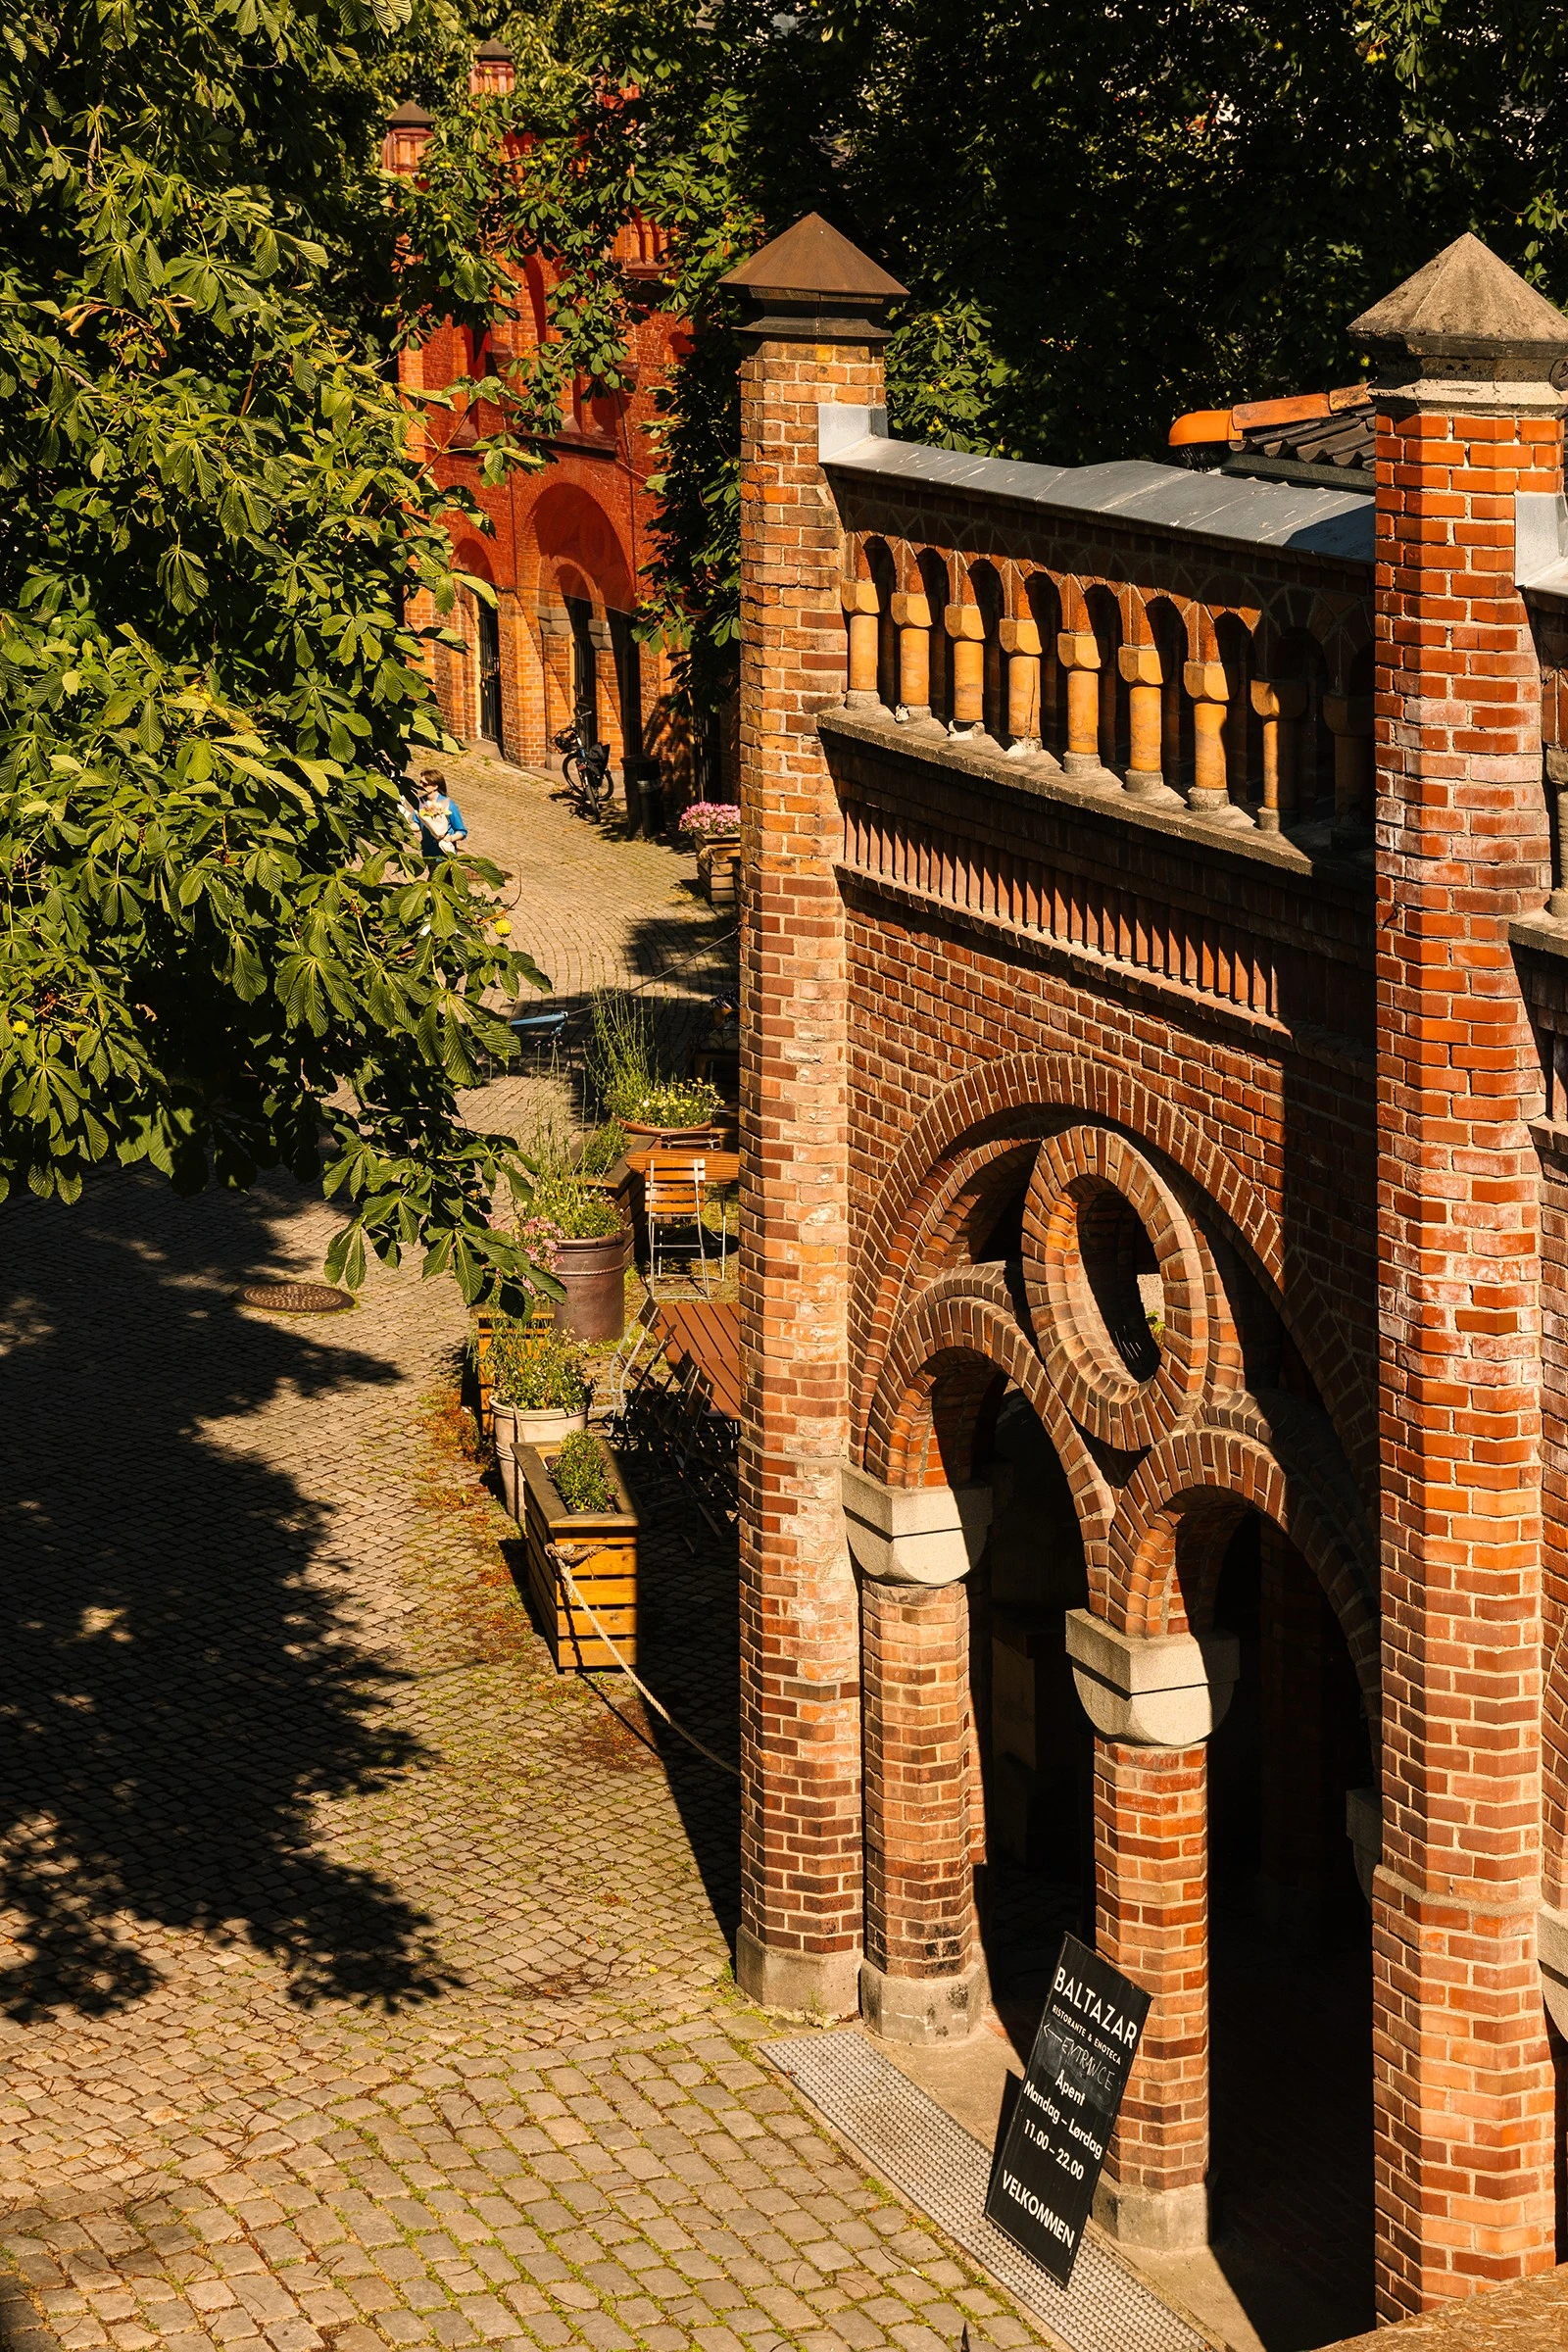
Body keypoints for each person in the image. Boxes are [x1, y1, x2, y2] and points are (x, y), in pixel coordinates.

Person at [415, 770, 467, 858]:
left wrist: (450, 838)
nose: (420, 785)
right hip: (428, 852)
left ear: (435, 786)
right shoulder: (420, 802)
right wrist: (403, 826)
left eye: (425, 784)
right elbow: (418, 824)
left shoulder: (448, 804)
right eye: (420, 782)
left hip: (445, 852)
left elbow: (462, 831)